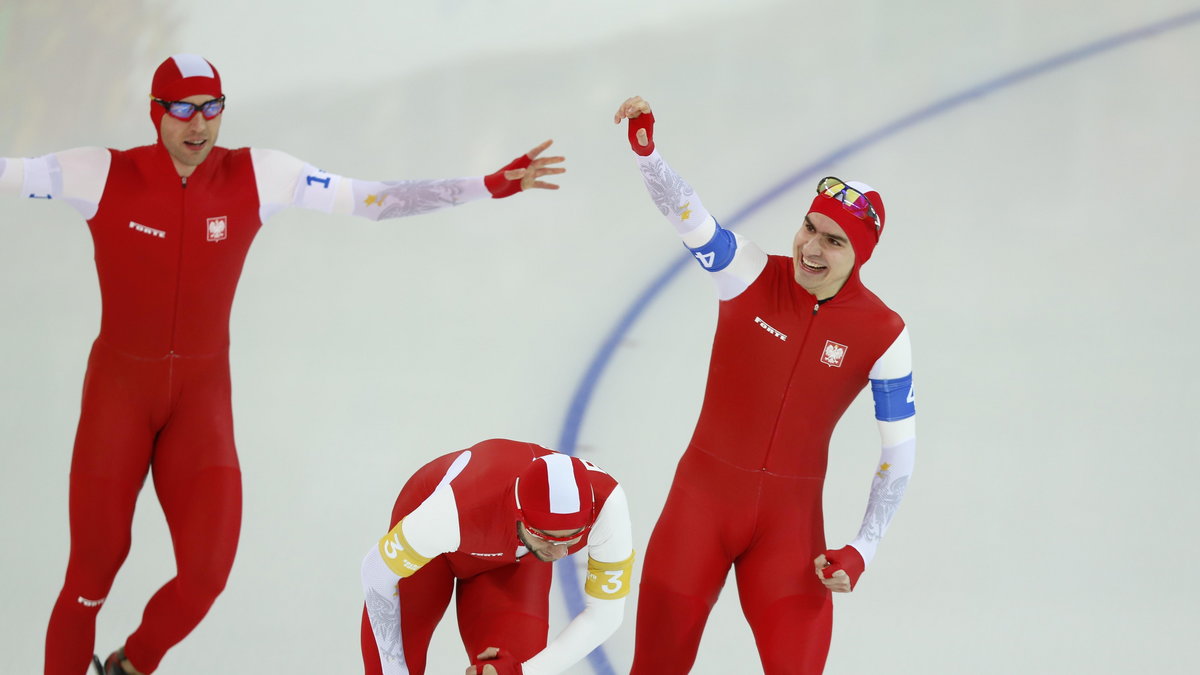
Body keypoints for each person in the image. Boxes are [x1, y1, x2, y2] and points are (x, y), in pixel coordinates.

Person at [0, 54, 565, 675]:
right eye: (183, 110)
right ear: (156, 113)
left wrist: (487, 185)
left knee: (206, 575)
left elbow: (371, 200)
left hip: (199, 400)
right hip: (118, 396)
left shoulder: (257, 175)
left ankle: (132, 664)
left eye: (211, 108)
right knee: (92, 573)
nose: (199, 125)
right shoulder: (102, 172)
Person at [613, 96, 917, 673]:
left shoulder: (884, 332)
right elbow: (687, 215)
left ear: (861, 256)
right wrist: (648, 155)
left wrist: (862, 549)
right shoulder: (748, 272)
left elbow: (899, 452)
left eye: (834, 241)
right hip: (698, 510)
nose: (811, 247)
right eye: (810, 226)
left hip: (790, 533)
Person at [359, 438, 634, 675]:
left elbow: (606, 615)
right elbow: (376, 571)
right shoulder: (452, 512)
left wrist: (524, 672)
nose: (561, 553)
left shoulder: (608, 507)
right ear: (518, 514)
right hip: (438, 549)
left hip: (515, 561)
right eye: (548, 538)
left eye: (572, 538)